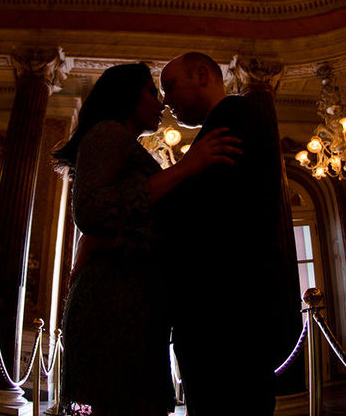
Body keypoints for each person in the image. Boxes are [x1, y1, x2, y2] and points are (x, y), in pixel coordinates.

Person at [53, 62, 240, 416]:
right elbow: (90, 211)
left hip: (129, 299)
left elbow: (122, 222)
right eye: (153, 92)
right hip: (114, 302)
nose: (162, 103)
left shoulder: (122, 142)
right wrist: (186, 167)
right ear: (128, 95)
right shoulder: (107, 132)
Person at [157, 52, 294, 416]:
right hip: (231, 310)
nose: (165, 101)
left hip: (225, 314)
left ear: (202, 74)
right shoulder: (227, 123)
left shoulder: (232, 116)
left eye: (169, 87)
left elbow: (204, 212)